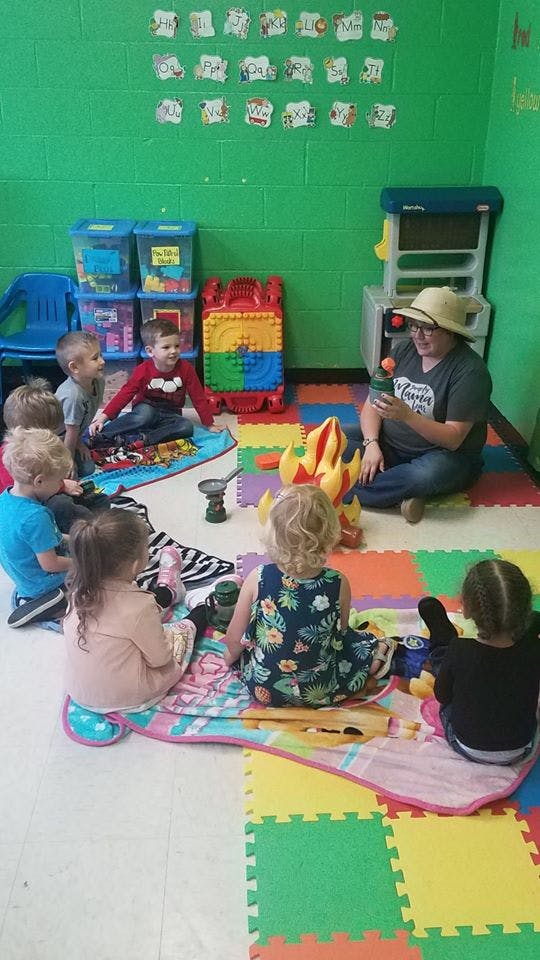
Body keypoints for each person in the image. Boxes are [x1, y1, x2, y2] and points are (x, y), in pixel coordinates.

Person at [223, 484, 395, 706]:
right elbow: (341, 631)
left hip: (263, 687)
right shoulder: (338, 582)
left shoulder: (258, 577)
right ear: (330, 537)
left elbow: (234, 638)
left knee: (251, 647)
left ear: (272, 534)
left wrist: (230, 656)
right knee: (358, 642)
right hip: (322, 689)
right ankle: (374, 658)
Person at [347, 286, 492, 523]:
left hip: (443, 456)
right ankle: (398, 493)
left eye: (427, 328)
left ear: (450, 331)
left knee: (424, 475)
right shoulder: (404, 350)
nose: (417, 335)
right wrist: (371, 443)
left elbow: (453, 439)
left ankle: (343, 491)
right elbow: (372, 404)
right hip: (390, 444)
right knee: (333, 436)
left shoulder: (470, 372)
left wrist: (407, 415)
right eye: (414, 325)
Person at [63, 510, 206, 713]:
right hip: (130, 695)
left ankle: (168, 590)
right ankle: (205, 605)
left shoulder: (78, 592)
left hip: (80, 692)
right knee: (184, 630)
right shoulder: (139, 606)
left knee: (140, 615)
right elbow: (161, 659)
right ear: (136, 565)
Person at [418, 559, 540, 764]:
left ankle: (441, 639)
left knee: (444, 657)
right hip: (521, 748)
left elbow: (442, 696)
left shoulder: (460, 649)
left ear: (465, 609)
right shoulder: (535, 649)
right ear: (525, 610)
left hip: (467, 744)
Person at [89, 318, 223, 444]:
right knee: (143, 416)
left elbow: (198, 397)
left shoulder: (186, 369)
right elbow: (125, 394)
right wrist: (103, 418)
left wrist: (209, 423)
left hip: (170, 413)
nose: (174, 351)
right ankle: (102, 435)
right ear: (150, 351)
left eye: (177, 346)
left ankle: (143, 439)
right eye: (166, 347)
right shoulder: (143, 370)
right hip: (146, 409)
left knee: (186, 426)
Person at [1, 377, 109, 532]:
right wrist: (62, 485)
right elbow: (24, 495)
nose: (52, 435)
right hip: (33, 507)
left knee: (100, 500)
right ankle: (92, 531)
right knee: (62, 505)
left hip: (50, 491)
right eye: (48, 432)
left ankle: (91, 523)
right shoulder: (11, 456)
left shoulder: (39, 446)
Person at [0, 427, 73, 627]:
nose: (61, 484)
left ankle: (41, 599)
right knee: (96, 579)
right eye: (59, 480)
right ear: (39, 481)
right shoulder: (35, 517)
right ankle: (51, 603)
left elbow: (45, 538)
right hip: (41, 584)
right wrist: (81, 564)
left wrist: (75, 538)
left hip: (23, 576)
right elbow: (50, 564)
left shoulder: (5, 499)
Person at [55, 331, 105, 478]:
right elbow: (70, 433)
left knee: (88, 467)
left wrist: (79, 443)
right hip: (54, 440)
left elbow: (77, 426)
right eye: (95, 358)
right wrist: (69, 463)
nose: (102, 361)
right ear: (74, 367)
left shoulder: (98, 380)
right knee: (73, 474)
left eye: (100, 355)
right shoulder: (73, 396)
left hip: (73, 435)